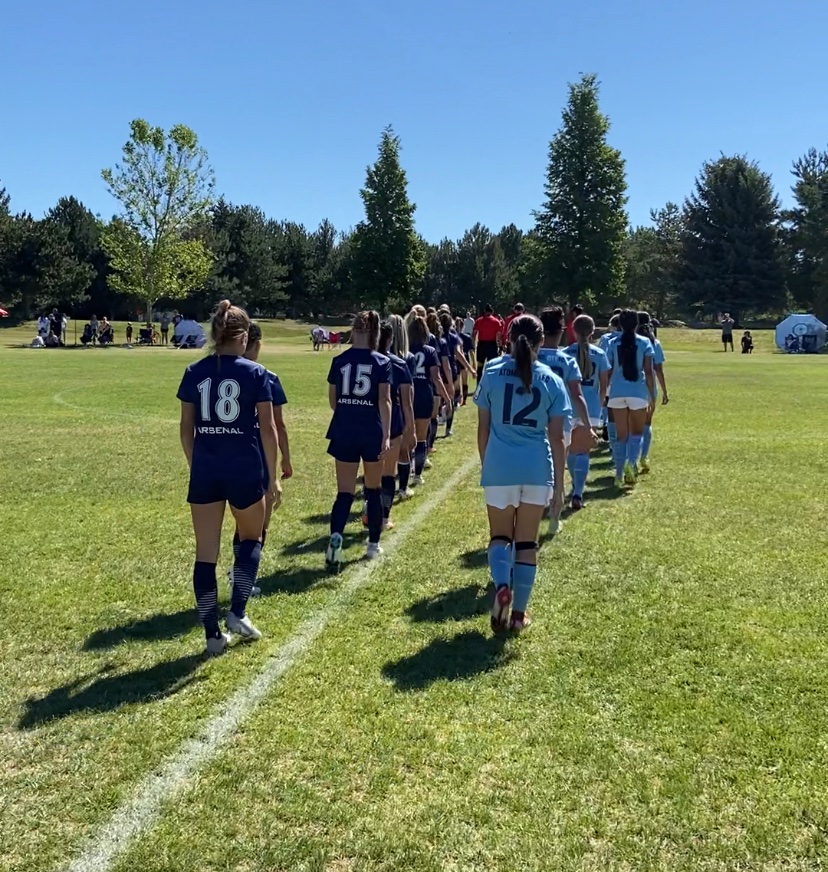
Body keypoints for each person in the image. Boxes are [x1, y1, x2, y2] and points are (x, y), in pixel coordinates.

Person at [177, 300, 278, 655]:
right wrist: (272, 476)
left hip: (207, 468)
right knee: (252, 538)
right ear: (243, 336)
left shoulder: (193, 371)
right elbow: (268, 430)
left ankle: (212, 635)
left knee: (205, 553)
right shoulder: (256, 372)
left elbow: (186, 429)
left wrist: (197, 463)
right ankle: (237, 611)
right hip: (245, 466)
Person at [475, 314, 570, 633]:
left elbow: (483, 428)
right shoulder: (551, 379)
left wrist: (487, 463)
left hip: (500, 466)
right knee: (527, 543)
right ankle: (518, 615)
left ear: (508, 337)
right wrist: (560, 485)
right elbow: (558, 438)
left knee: (500, 537)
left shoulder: (491, 371)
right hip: (536, 469)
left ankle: (503, 585)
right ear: (541, 342)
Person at [227, 321, 292, 597]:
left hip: (230, 453)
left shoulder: (226, 373)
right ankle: (242, 576)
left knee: (244, 522)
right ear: (258, 343)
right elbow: (277, 425)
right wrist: (285, 459)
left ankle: (238, 572)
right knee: (258, 524)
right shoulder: (266, 376)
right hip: (258, 455)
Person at [325, 311, 392, 571]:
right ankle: (373, 544)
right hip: (370, 430)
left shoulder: (339, 360)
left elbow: (333, 400)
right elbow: (384, 401)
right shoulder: (381, 361)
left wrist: (348, 411)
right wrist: (386, 435)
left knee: (344, 492)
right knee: (373, 489)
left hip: (344, 429)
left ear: (354, 331)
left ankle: (335, 539)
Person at [537, 307, 593, 507]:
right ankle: (554, 502)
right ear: (561, 330)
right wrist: (588, 425)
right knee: (558, 464)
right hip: (561, 421)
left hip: (534, 418)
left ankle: (539, 501)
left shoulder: (531, 358)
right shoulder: (567, 360)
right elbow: (577, 395)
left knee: (538, 463)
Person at [368, 320, 415, 529]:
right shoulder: (398, 364)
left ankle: (371, 508)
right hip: (392, 423)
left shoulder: (365, 361)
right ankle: (384, 517)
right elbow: (406, 402)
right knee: (388, 472)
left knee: (371, 473)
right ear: (390, 339)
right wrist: (410, 429)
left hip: (368, 421)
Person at [564, 314, 611, 510]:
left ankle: (575, 486)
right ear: (592, 332)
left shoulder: (565, 353)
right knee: (583, 451)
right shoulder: (599, 354)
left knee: (570, 451)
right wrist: (599, 406)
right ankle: (578, 493)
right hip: (590, 407)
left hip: (567, 407)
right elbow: (604, 386)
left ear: (573, 330)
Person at [606, 309, 656, 487]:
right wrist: (651, 395)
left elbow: (608, 369)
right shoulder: (644, 342)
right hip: (637, 391)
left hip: (617, 392)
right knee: (637, 433)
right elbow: (648, 372)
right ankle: (632, 465)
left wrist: (605, 392)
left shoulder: (612, 342)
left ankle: (619, 474)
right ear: (637, 324)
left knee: (621, 437)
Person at [408, 315, 453, 486]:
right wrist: (447, 397)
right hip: (424, 394)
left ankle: (405, 470)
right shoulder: (430, 351)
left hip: (407, 394)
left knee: (407, 435)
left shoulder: (405, 350)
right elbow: (436, 378)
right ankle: (418, 475)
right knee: (421, 437)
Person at [637, 312, 669, 472]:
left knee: (631, 425)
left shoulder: (630, 341)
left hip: (632, 386)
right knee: (647, 422)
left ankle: (630, 459)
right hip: (649, 387)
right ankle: (644, 456)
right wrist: (665, 391)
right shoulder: (654, 343)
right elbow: (658, 369)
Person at [472, 305, 504, 381]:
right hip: (492, 345)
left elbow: (474, 333)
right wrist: (500, 346)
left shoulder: (479, 320)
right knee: (492, 366)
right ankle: (491, 382)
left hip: (481, 345)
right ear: (492, 312)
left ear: (485, 312)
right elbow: (499, 335)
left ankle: (479, 382)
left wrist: (473, 344)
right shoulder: (496, 321)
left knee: (480, 366)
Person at [456, 316, 475, 405]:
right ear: (463, 326)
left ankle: (457, 399)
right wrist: (473, 364)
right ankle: (464, 400)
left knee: (457, 382)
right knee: (464, 381)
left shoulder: (454, 337)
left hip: (456, 360)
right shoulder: (467, 337)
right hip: (465, 360)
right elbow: (471, 352)